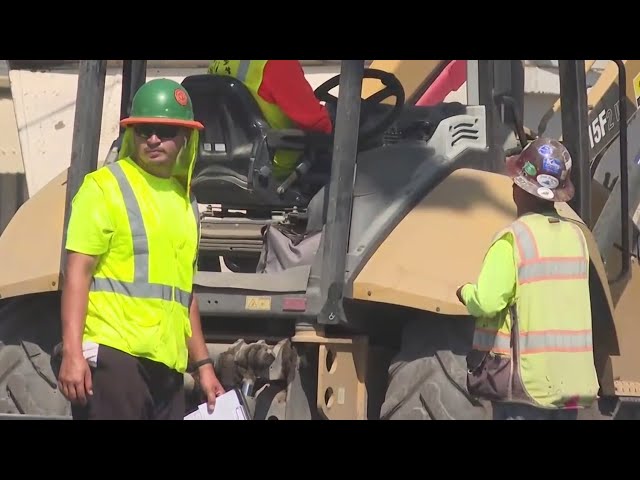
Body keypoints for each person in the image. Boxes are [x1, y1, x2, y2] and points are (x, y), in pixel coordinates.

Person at [57, 78, 225, 420]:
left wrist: (204, 366)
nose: (152, 138)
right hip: (115, 359)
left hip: (166, 366)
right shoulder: (104, 188)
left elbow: (183, 294)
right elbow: (77, 273)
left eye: (164, 130)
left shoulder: (185, 203)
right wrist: (72, 353)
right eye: (143, 129)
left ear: (187, 138)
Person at [456, 137, 599, 420]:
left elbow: (487, 302)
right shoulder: (577, 239)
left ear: (520, 190)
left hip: (526, 388)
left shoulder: (513, 239)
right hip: (568, 386)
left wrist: (465, 293)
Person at [208, 60, 333, 179]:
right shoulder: (277, 64)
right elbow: (316, 123)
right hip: (276, 166)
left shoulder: (219, 63)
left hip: (228, 163)